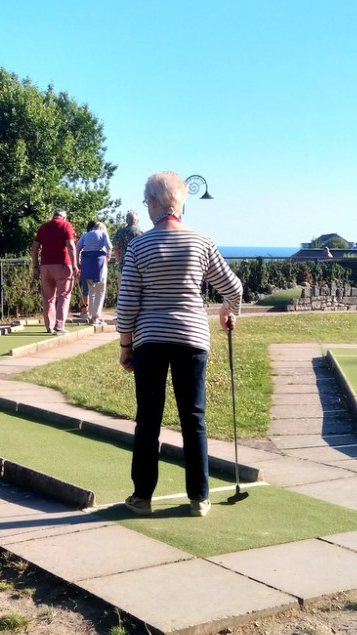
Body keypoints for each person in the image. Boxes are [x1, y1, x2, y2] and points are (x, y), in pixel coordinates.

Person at [117, 171, 243, 518]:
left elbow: (128, 302)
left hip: (150, 340)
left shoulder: (138, 246)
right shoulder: (201, 242)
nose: (147, 206)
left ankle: (143, 496)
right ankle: (199, 498)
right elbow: (233, 288)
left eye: (147, 201)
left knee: (149, 418)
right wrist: (227, 311)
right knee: (193, 417)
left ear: (155, 203)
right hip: (192, 338)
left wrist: (125, 345)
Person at [31, 209, 79, 334]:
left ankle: (49, 326)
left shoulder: (43, 227)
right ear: (63, 217)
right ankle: (59, 325)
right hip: (63, 264)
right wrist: (74, 265)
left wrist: (35, 266)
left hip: (45, 266)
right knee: (64, 295)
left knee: (48, 297)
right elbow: (70, 245)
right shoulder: (66, 225)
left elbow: (34, 248)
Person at [76, 220, 112, 325]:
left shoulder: (86, 235)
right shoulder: (103, 234)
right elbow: (109, 246)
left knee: (91, 291)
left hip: (87, 263)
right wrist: (108, 255)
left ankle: (92, 316)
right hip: (99, 263)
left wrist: (78, 260)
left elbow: (78, 247)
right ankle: (96, 316)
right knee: (100, 290)